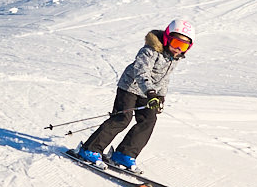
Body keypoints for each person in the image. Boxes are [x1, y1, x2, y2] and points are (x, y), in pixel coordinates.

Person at [77, 19, 195, 168]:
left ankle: (124, 154)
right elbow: (141, 71)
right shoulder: (150, 51)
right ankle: (89, 149)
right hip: (130, 87)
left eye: (184, 46)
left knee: (149, 121)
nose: (178, 49)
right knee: (122, 118)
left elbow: (164, 79)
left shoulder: (174, 58)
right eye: (176, 43)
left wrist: (161, 96)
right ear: (166, 38)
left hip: (149, 93)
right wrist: (151, 92)